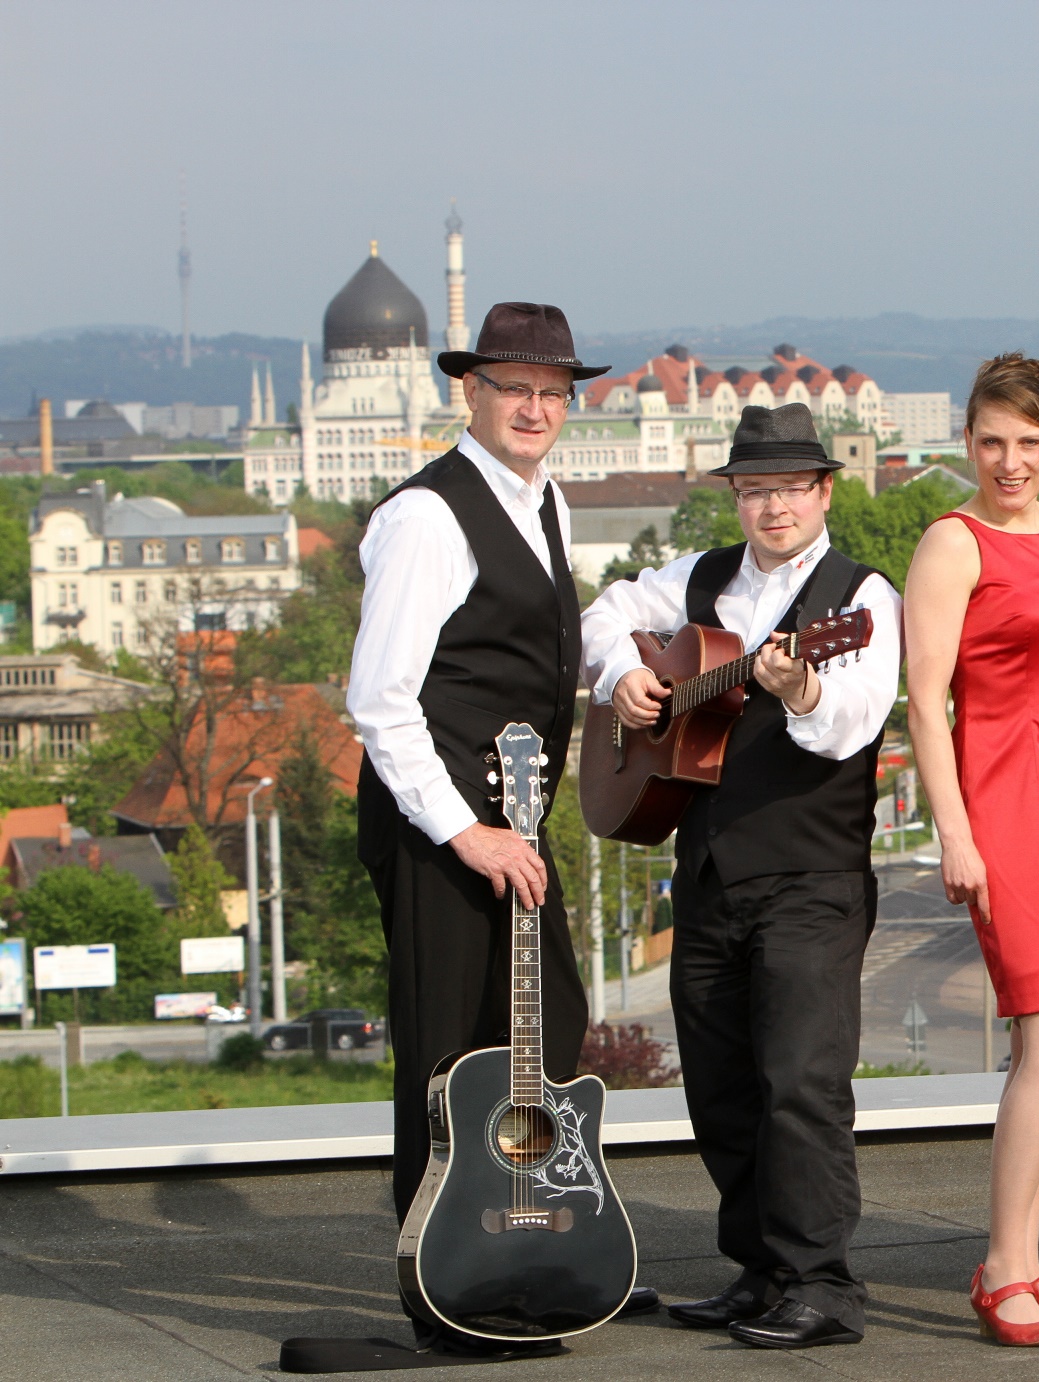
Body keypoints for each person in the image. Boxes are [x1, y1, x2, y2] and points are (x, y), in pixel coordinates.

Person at [350, 301, 657, 1356]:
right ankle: (445, 1289)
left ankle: (525, 1259)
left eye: (551, 392)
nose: (533, 408)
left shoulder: (542, 497)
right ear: (469, 392)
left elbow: (544, 642)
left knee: (544, 1028)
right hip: (439, 821)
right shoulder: (427, 516)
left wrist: (616, 672)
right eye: (512, 388)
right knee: (447, 1058)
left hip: (509, 815)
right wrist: (459, 831)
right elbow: (381, 699)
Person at [581, 402, 900, 1351]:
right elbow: (607, 613)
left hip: (812, 873)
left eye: (791, 488)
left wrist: (800, 684)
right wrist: (617, 682)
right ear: (736, 496)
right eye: (755, 489)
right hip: (709, 870)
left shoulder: (861, 599)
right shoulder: (699, 578)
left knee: (800, 1080)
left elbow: (848, 718)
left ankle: (823, 1285)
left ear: (825, 491)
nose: (773, 507)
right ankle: (759, 1272)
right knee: (719, 1084)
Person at [905, 353, 1039, 1349]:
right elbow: (927, 702)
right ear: (967, 443)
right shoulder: (951, 542)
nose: (1009, 460)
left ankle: (1025, 1260)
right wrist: (955, 829)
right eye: (991, 440)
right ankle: (999, 1267)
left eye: (1029, 442)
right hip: (1004, 801)